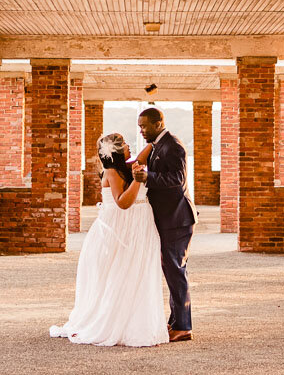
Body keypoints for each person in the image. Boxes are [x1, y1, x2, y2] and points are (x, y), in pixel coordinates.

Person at [49, 133, 169, 347]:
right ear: (115, 152)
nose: (129, 145)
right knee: (121, 274)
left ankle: (135, 322)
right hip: (120, 229)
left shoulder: (128, 165)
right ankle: (115, 324)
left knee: (138, 273)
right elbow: (123, 202)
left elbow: (143, 155)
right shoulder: (112, 172)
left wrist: (156, 141)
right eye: (123, 144)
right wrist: (138, 180)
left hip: (138, 225)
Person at [133, 107, 195, 342]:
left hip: (177, 220)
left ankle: (183, 327)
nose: (141, 130)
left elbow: (177, 181)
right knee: (171, 270)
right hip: (168, 218)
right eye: (139, 126)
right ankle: (175, 321)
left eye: (144, 126)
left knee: (176, 271)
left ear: (159, 123)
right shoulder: (158, 145)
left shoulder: (174, 145)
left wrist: (149, 177)